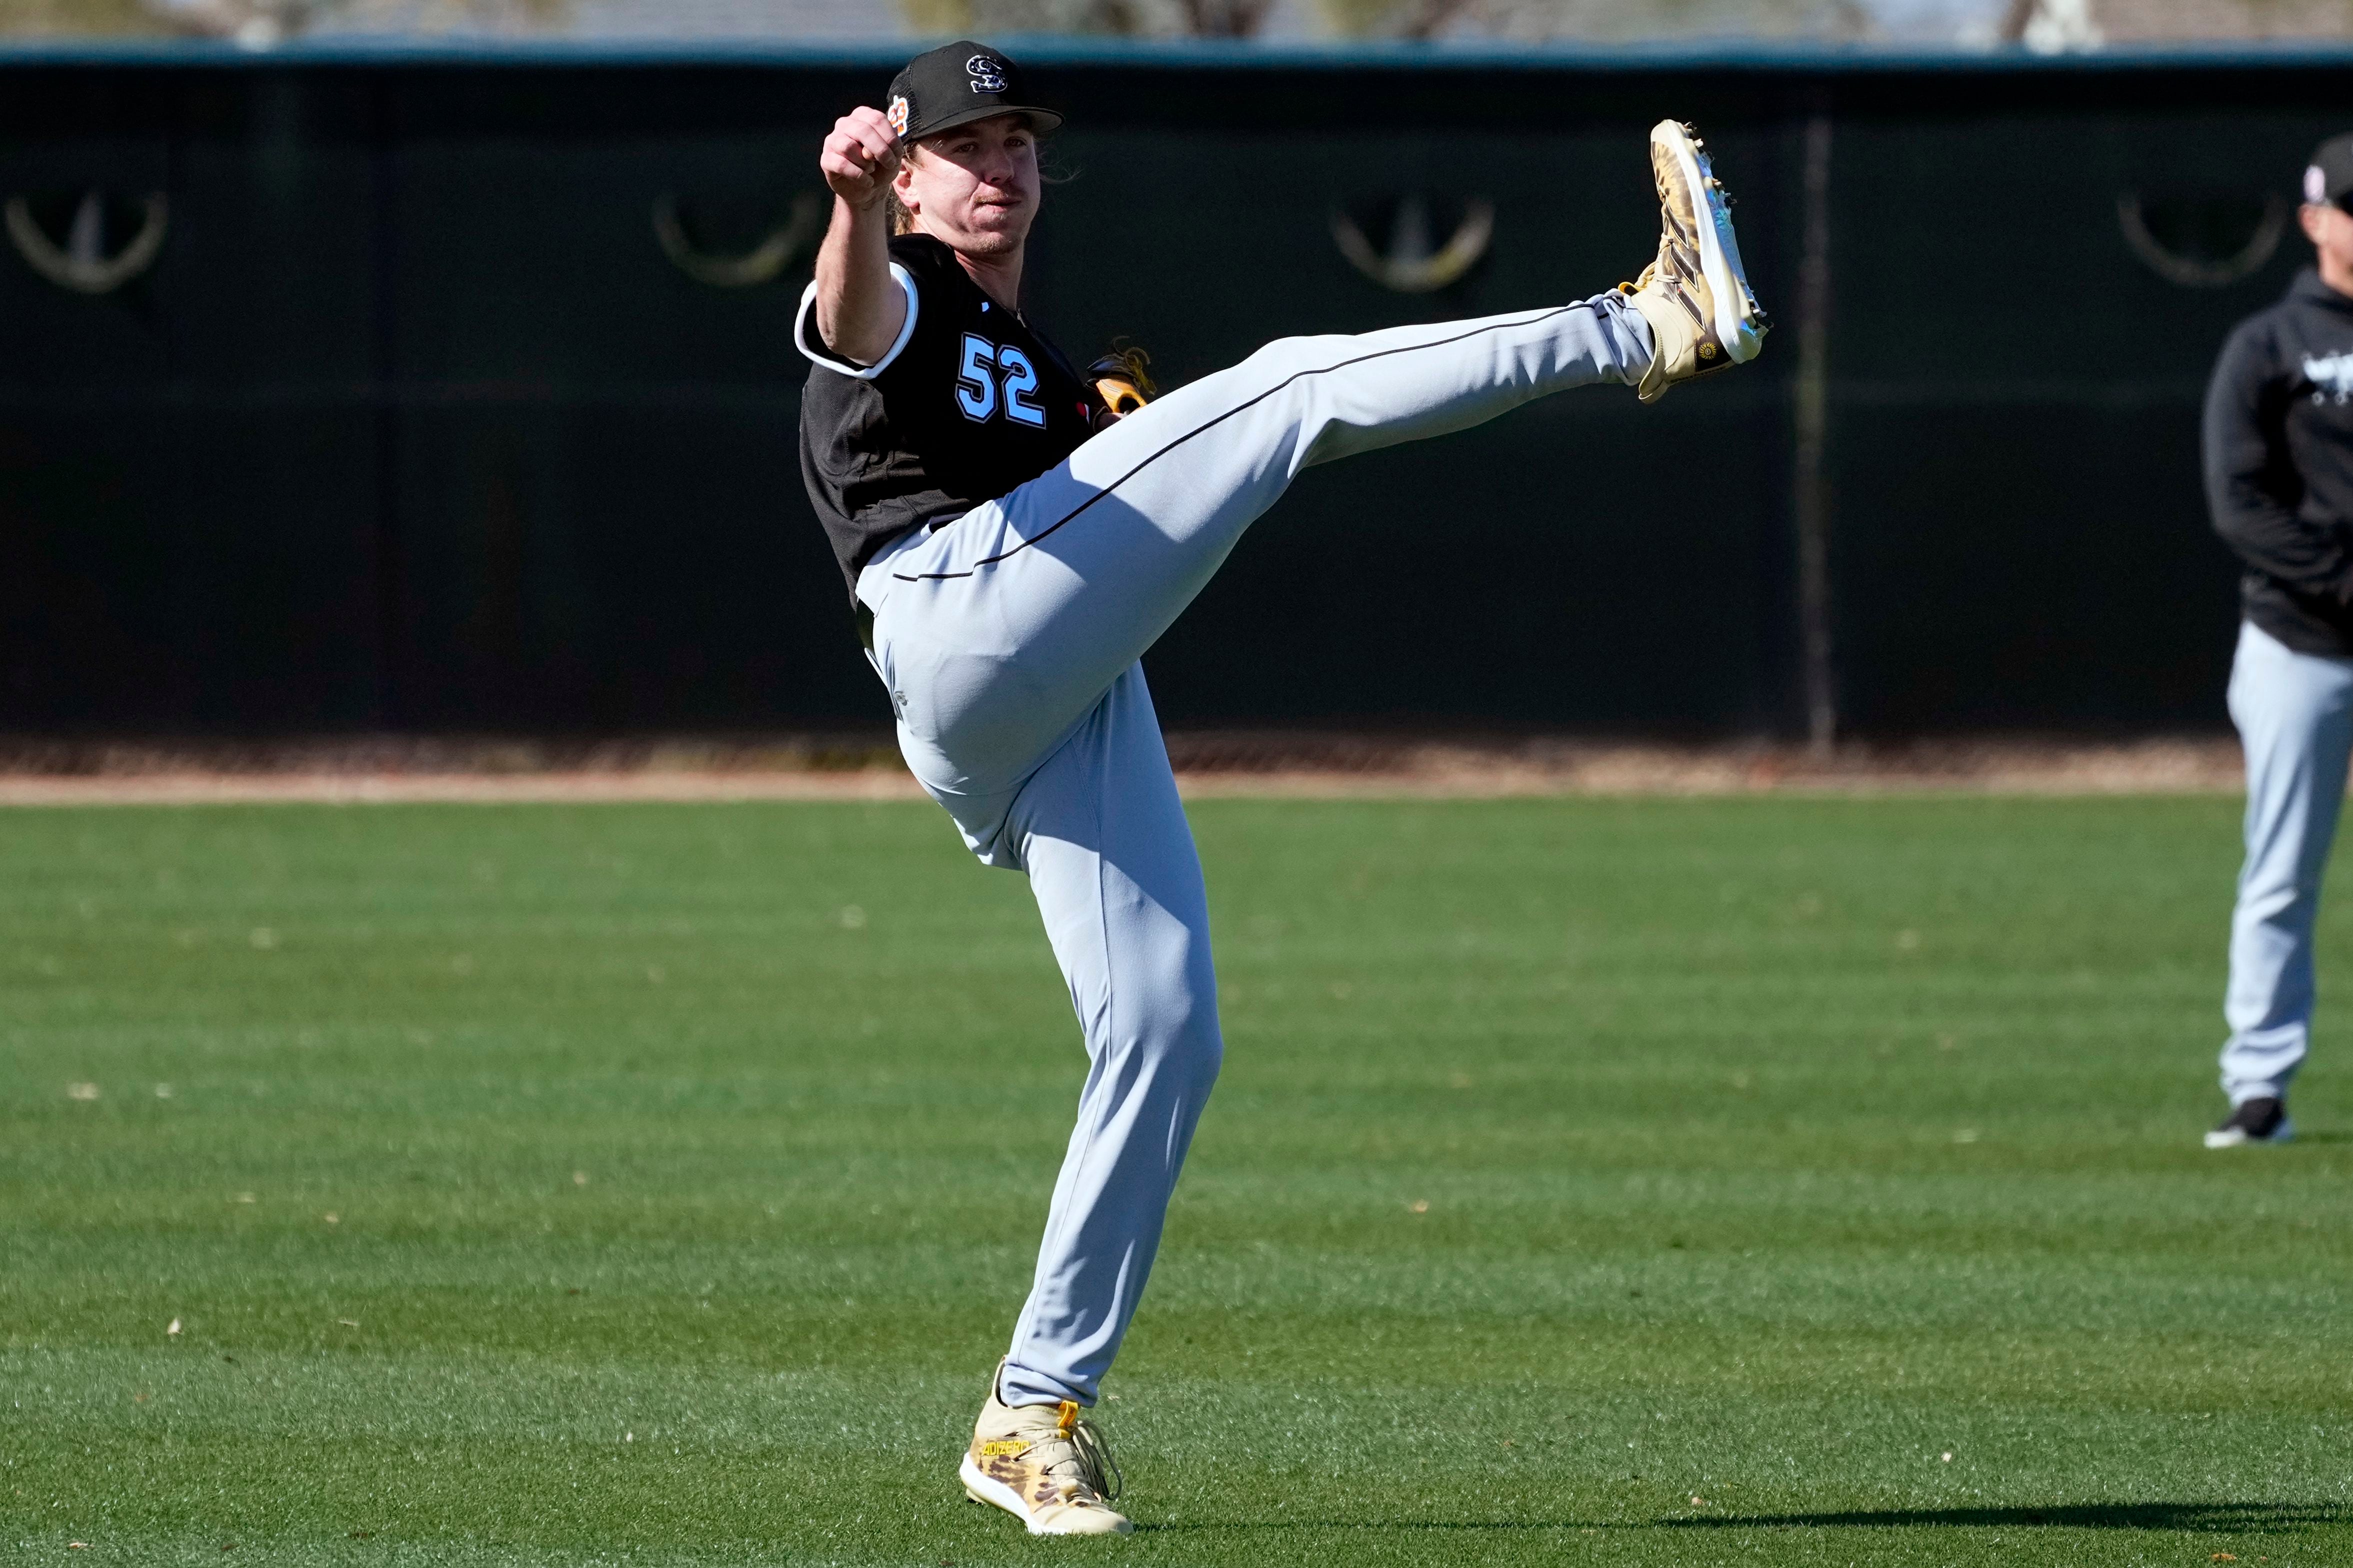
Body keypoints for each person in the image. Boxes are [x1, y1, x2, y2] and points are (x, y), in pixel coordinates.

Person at [796, 39, 1767, 1534]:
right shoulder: (905, 282)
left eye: (1018, 143)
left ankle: (1030, 1411)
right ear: (913, 171)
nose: (998, 166)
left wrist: (1096, 429)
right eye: (965, 145)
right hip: (951, 613)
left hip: (1041, 686)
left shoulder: (1039, 372)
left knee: (1168, 1029)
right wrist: (854, 208)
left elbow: (1092, 477)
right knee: (1291, 389)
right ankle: (1639, 322)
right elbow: (851, 322)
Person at [2202, 133, 2353, 1150]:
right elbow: (2238, 502)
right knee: (2283, 869)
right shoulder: (2269, 343)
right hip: (2301, 642)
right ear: (2314, 219)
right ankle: (2258, 1087)